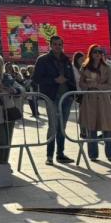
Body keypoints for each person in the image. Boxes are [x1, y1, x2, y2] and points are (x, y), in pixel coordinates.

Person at [32, 36, 76, 164]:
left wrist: (71, 89)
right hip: (51, 96)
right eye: (55, 44)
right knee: (53, 126)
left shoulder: (66, 59)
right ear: (50, 45)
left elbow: (71, 76)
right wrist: (53, 80)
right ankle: (49, 156)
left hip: (66, 97)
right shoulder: (43, 60)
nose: (58, 46)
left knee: (62, 126)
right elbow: (36, 79)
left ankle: (60, 154)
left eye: (60, 44)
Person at [78, 45, 111, 161]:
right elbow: (81, 84)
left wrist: (97, 85)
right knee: (91, 128)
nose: (98, 54)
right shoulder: (84, 68)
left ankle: (110, 154)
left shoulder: (107, 68)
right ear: (90, 53)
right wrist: (88, 85)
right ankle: (93, 154)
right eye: (95, 52)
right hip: (89, 100)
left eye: (100, 52)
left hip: (103, 101)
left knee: (108, 128)